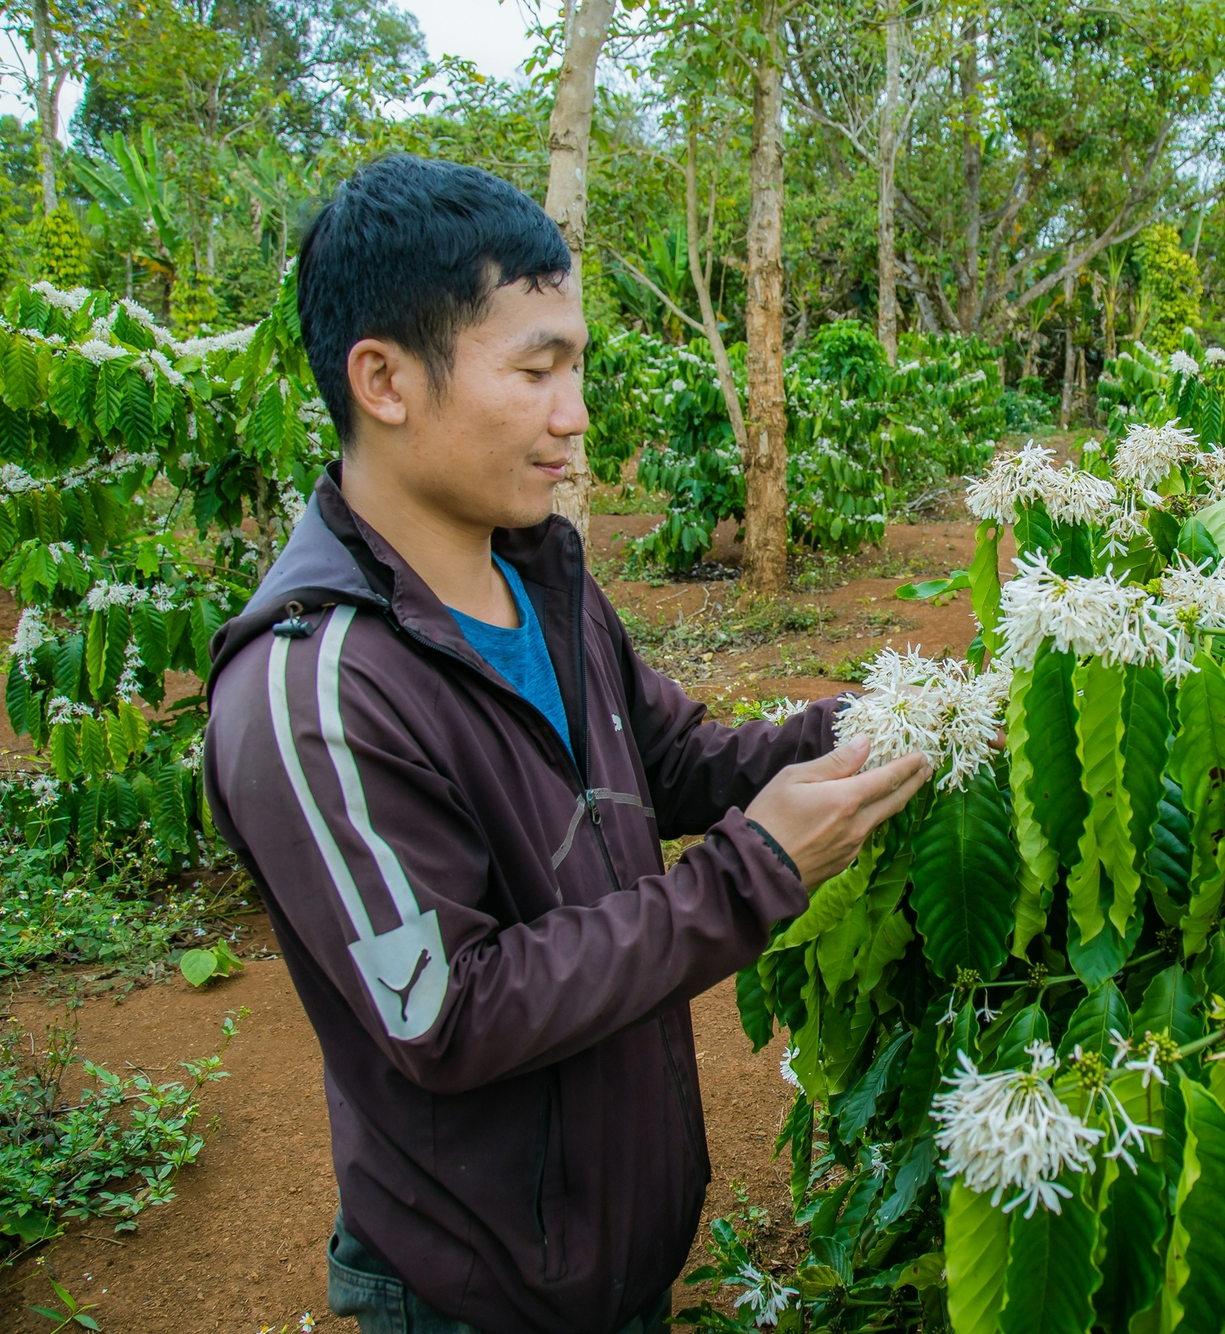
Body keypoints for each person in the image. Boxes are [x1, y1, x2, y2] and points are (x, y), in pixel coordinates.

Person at [202, 154, 930, 1334]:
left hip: (609, 1252)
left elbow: (677, 762)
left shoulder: (534, 577)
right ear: (382, 379)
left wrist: (889, 710)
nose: (574, 414)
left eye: (575, 365)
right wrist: (755, 872)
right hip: (477, 1290)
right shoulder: (316, 693)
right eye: (535, 369)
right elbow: (450, 1011)